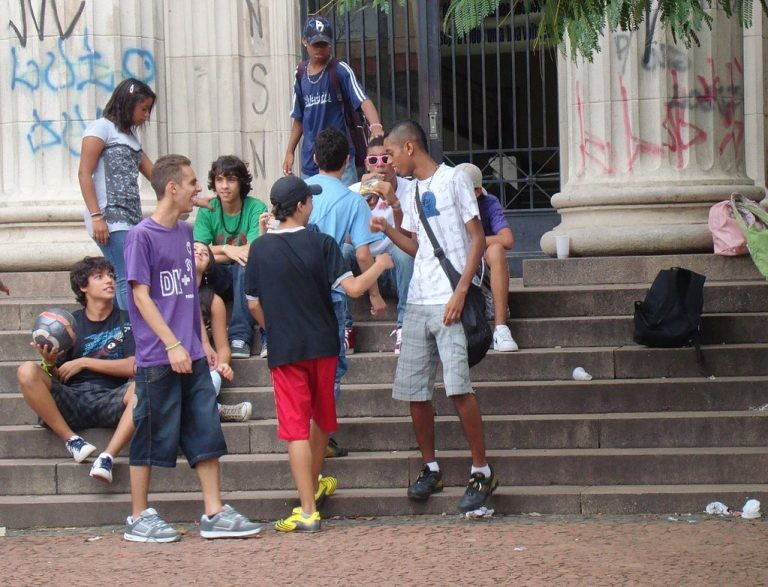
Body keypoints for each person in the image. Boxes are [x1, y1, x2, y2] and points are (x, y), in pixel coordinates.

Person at [122, 154, 261, 542]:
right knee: (150, 432)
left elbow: (187, 295)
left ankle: (214, 512)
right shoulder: (141, 236)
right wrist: (171, 344)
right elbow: (141, 296)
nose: (198, 189)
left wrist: (202, 342)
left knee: (205, 430)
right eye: (193, 182)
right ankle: (138, 516)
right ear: (172, 188)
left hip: (193, 354)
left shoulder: (185, 233)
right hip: (157, 356)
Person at [244, 175, 393, 532]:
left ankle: (307, 508)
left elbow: (252, 305)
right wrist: (381, 264)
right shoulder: (322, 243)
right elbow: (355, 289)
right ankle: (311, 491)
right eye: (309, 200)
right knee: (322, 419)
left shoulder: (260, 248)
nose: (312, 205)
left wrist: (272, 328)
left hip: (286, 348)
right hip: (324, 344)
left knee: (295, 428)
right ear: (299, 206)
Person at [370, 121, 499, 513]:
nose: (387, 163)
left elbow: (477, 237)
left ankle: (482, 469)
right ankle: (431, 467)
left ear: (410, 147)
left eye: (390, 155)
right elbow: (416, 245)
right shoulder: (409, 190)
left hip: (449, 297)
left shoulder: (454, 180)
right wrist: (388, 229)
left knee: (459, 388)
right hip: (419, 299)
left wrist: (462, 291)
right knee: (414, 391)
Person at [16, 256, 136, 484]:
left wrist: (85, 362)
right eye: (99, 277)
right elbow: (56, 376)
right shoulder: (67, 324)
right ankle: (72, 441)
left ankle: (107, 457)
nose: (109, 281)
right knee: (26, 371)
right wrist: (49, 363)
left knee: (143, 388)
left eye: (110, 275)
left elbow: (134, 365)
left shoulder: (128, 320)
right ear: (83, 287)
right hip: (74, 397)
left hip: (112, 397)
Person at [306, 127, 385, 457]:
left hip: (298, 292)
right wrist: (376, 295)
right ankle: (319, 437)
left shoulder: (301, 191)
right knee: (331, 369)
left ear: (314, 158)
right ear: (348, 161)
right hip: (333, 291)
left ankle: (310, 433)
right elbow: (364, 254)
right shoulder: (353, 200)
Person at [78, 78, 156, 310]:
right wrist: (96, 216)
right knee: (125, 277)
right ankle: (131, 333)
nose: (146, 116)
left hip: (131, 217)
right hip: (109, 218)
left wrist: (190, 197)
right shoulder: (100, 128)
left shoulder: (131, 138)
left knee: (134, 277)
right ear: (128, 103)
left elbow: (155, 175)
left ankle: (135, 329)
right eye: (143, 109)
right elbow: (84, 174)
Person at [283, 15, 384, 186]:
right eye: (315, 44)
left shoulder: (339, 70)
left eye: (324, 44)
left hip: (340, 159)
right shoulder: (300, 74)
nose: (320, 49)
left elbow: (363, 99)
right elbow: (299, 118)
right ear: (304, 41)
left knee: (344, 203)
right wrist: (290, 151)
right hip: (311, 160)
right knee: (313, 209)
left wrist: (376, 126)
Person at [193, 155, 268, 359]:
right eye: (219, 180)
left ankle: (239, 337)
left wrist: (218, 251)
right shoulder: (209, 209)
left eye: (231, 180)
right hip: (217, 277)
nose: (224, 186)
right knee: (200, 261)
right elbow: (199, 250)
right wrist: (228, 249)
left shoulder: (255, 207)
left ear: (241, 183)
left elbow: (251, 250)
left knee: (245, 264)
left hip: (245, 275)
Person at [347, 136, 414, 353]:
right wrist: (362, 202)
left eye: (385, 158)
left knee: (402, 253)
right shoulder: (353, 191)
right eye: (373, 160)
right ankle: (345, 329)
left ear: (393, 161)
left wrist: (394, 203)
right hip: (364, 271)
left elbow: (408, 241)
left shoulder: (410, 189)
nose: (380, 165)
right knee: (342, 251)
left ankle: (404, 327)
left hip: (395, 269)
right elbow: (346, 240)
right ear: (366, 164)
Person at [455, 163, 518, 352]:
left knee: (497, 249)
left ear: (476, 192)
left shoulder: (489, 202)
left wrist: (476, 242)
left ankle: (501, 328)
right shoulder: (447, 204)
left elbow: (507, 239)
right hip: (456, 265)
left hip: (482, 265)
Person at [194, 241, 253, 422]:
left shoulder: (214, 301)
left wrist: (222, 365)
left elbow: (223, 348)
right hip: (173, 359)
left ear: (209, 267)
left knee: (213, 378)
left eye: (205, 252)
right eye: (194, 249)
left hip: (203, 365)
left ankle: (211, 409)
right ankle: (217, 410)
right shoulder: (167, 291)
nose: (199, 253)